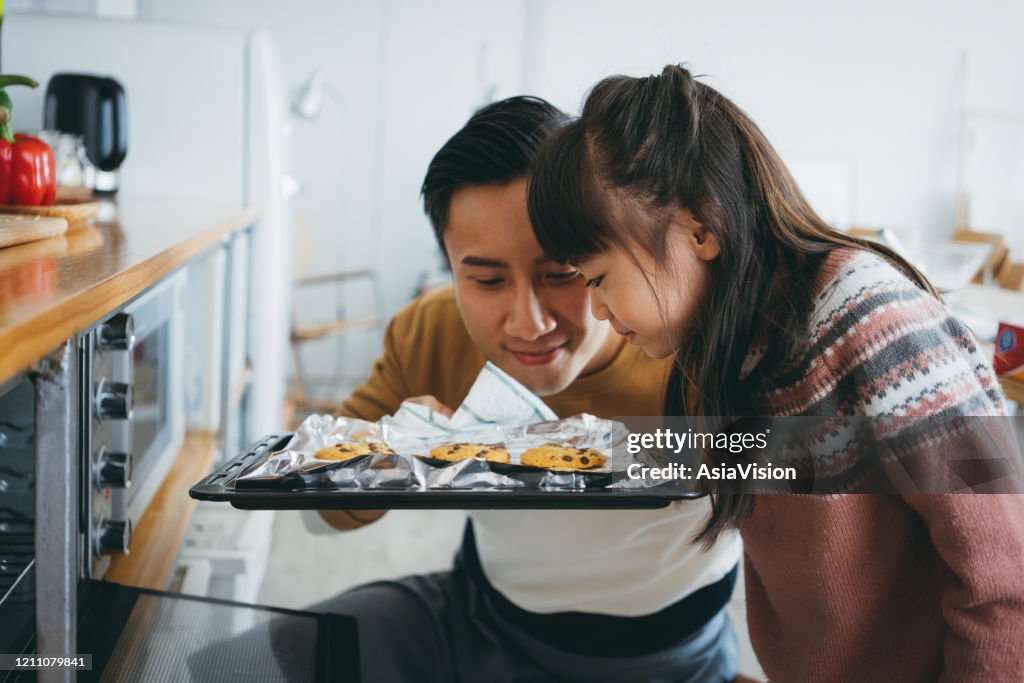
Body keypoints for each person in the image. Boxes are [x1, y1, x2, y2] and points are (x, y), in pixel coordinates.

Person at [526, 64, 1024, 682]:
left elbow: (1005, 576)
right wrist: (530, 447)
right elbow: (750, 458)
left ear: (698, 228)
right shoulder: (729, 343)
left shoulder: (874, 321)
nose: (598, 309)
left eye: (598, 278)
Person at [286, 96, 743, 682]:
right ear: (450, 267)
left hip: (671, 657)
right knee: (258, 659)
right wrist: (387, 468)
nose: (529, 324)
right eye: (485, 279)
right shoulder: (431, 332)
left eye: (562, 274)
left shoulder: (699, 344)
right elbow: (313, 511)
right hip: (478, 620)